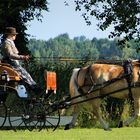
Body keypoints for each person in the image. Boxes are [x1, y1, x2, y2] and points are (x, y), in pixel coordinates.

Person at [0, 27, 40, 94]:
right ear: (10, 35)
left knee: (26, 74)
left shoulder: (10, 43)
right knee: (24, 74)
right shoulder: (6, 43)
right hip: (11, 63)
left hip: (14, 63)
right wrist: (22, 57)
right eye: (14, 34)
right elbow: (11, 55)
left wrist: (22, 58)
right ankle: (34, 88)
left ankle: (33, 87)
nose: (15, 36)